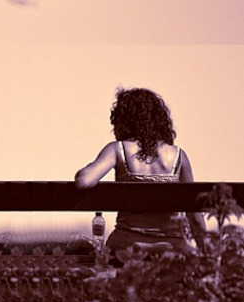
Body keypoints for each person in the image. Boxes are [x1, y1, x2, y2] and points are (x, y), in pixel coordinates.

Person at [74, 87, 206, 256]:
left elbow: (84, 181)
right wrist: (209, 256)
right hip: (171, 250)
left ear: (124, 121)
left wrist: (87, 166)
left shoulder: (118, 150)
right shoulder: (179, 156)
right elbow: (194, 215)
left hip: (127, 248)